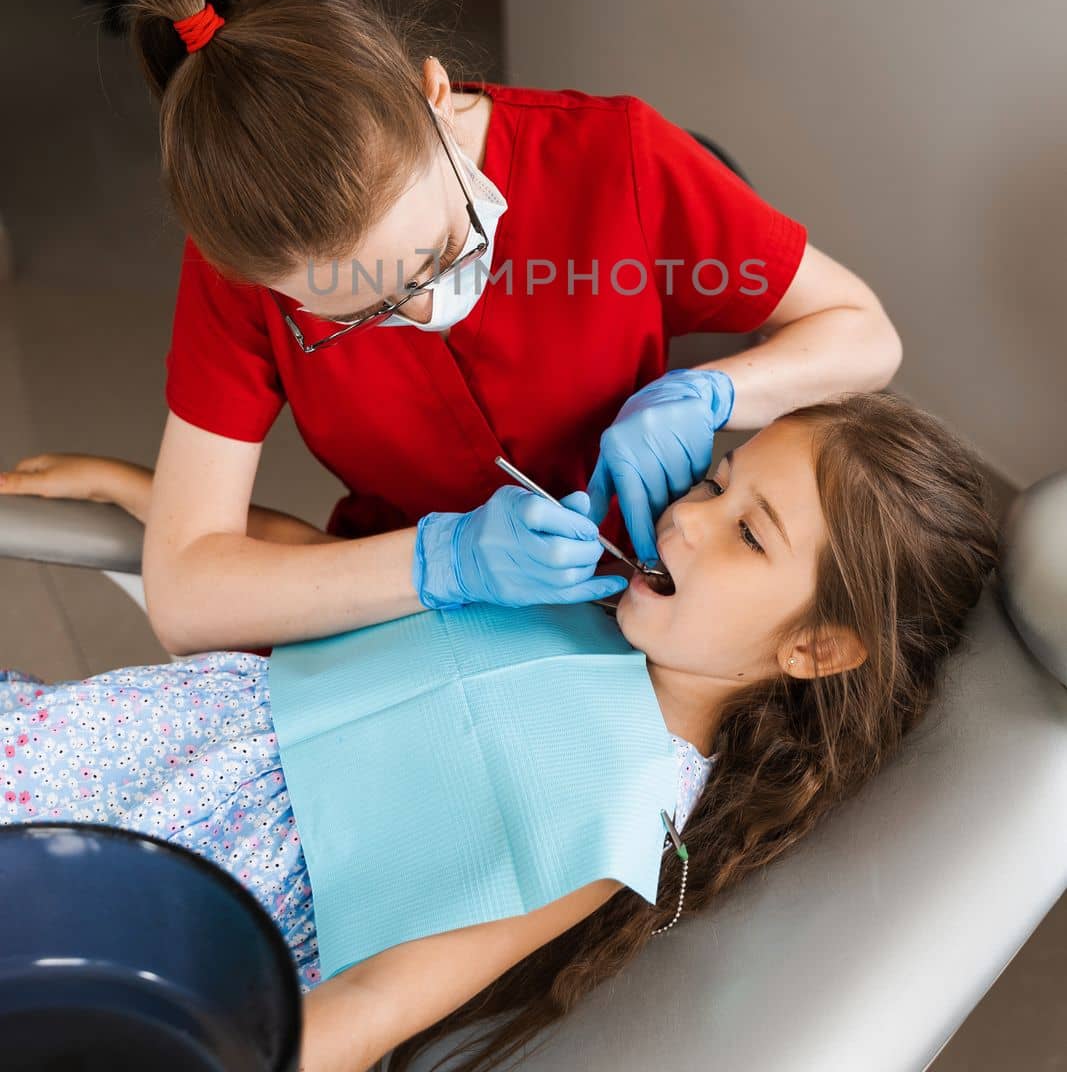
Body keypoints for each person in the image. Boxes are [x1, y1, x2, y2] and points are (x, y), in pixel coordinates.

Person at [0, 390, 998, 1072]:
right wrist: (164, 504)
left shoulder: (620, 814)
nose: (686, 520)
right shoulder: (586, 590)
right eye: (712, 482)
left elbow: (382, 997)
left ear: (817, 649)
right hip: (141, 743)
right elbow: (350, 582)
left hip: (199, 892)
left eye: (746, 533)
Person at [82, 0, 902, 655]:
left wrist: (708, 392)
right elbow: (187, 597)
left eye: (440, 252)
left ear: (433, 95)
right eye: (365, 313)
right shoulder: (246, 263)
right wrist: (445, 562)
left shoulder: (612, 156)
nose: (429, 307)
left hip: (648, 602)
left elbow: (863, 335)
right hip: (404, 612)